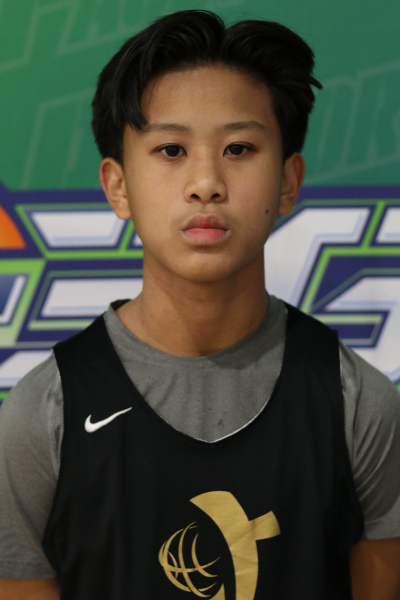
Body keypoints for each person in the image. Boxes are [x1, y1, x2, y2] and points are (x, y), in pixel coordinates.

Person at [1, 9, 400, 600]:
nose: (206, 182)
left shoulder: (355, 400)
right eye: (171, 150)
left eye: (239, 148)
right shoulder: (44, 413)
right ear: (117, 186)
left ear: (288, 181)